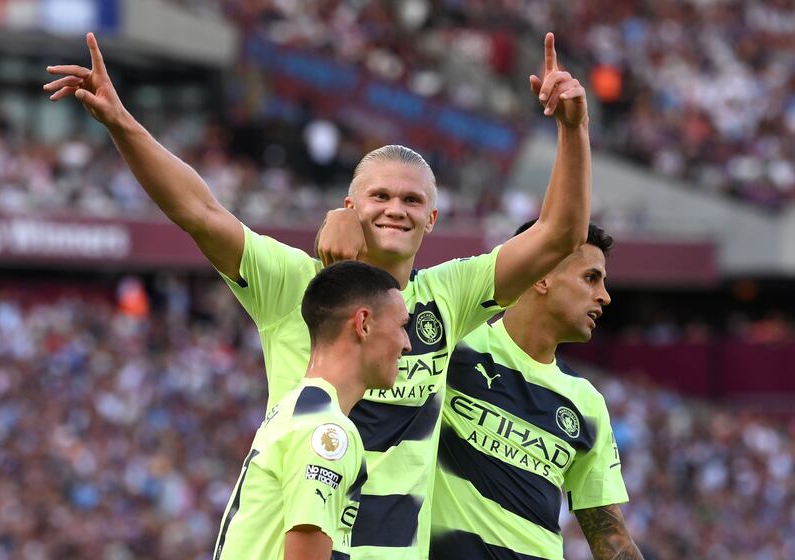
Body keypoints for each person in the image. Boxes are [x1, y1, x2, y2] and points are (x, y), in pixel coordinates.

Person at [45, 31, 591, 558]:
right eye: (378, 195)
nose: (394, 208)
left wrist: (573, 129)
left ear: (432, 218)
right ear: (350, 206)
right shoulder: (295, 285)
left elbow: (560, 236)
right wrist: (121, 123)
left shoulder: (450, 295)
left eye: (410, 199)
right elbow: (201, 213)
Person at [429, 221, 644, 560]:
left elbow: (610, 536)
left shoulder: (586, 403)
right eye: (591, 277)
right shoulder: (455, 346)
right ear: (542, 275)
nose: (605, 295)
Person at [215, 261, 411, 560]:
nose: (407, 344)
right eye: (402, 326)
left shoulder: (296, 409)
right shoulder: (327, 432)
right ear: (364, 324)